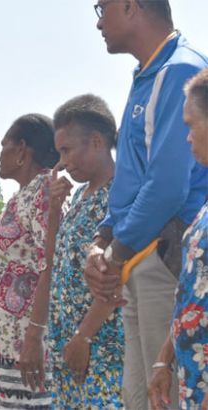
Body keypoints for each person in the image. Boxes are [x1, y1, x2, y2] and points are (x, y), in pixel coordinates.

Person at [86, 2, 208, 407]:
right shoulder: (148, 73)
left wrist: (116, 253)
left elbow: (168, 186)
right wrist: (101, 241)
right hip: (139, 258)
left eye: (102, 8)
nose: (99, 22)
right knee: (140, 399)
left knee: (166, 398)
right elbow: (133, 175)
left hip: (164, 258)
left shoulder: (179, 70)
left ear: (130, 6)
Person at [20, 94, 124, 408]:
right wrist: (54, 212)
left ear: (96, 141)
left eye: (66, 150)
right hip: (70, 349)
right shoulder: (80, 195)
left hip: (102, 351)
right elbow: (53, 263)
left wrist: (85, 336)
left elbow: (118, 274)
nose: (62, 162)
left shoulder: (122, 195)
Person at [0, 114, 59, 409]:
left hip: (25, 341)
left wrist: (34, 336)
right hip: (6, 340)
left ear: (23, 149)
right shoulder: (24, 195)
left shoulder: (45, 192)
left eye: (4, 145)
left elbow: (52, 264)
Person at [148, 68, 208, 410]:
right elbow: (190, 291)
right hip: (192, 382)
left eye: (191, 125)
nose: (187, 138)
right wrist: (163, 359)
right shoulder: (203, 210)